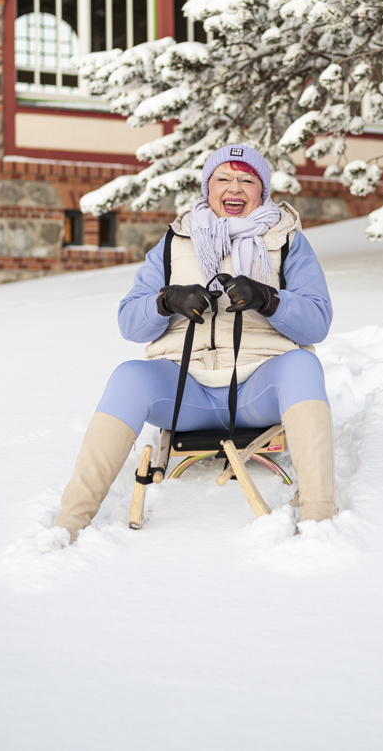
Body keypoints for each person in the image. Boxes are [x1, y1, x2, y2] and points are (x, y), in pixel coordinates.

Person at [54, 144, 336, 542]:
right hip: (187, 391)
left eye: (246, 179)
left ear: (263, 191)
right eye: (223, 178)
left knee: (305, 367)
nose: (234, 188)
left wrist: (270, 300)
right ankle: (70, 521)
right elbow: (130, 323)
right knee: (129, 376)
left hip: (260, 387)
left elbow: (318, 321)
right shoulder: (173, 244)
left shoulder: (287, 241)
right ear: (207, 188)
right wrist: (166, 301)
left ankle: (320, 517)